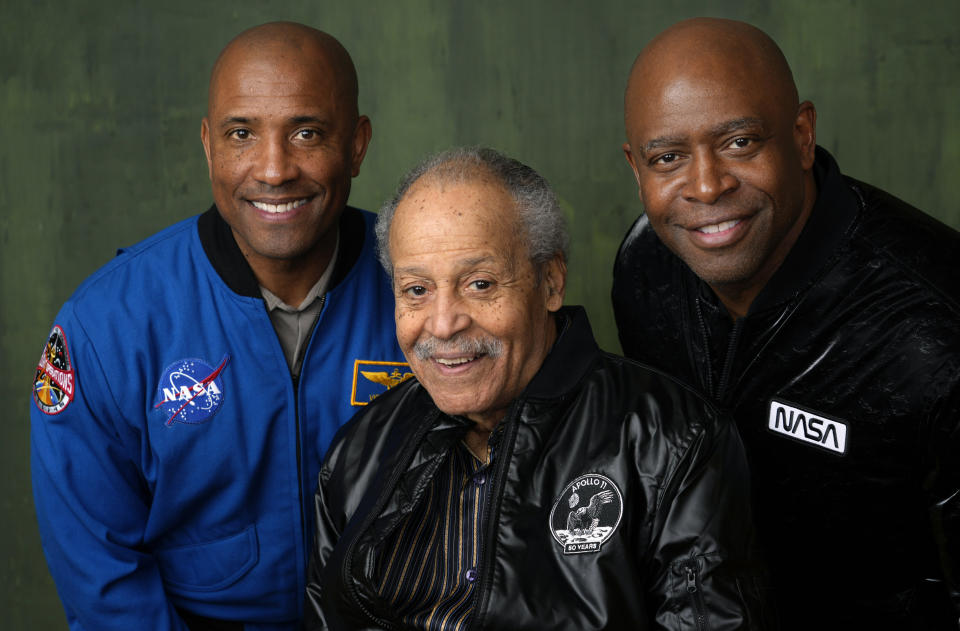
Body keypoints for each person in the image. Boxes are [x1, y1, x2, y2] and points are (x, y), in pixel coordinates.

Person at [30, 22, 407, 630]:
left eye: (307, 132)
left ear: (357, 143)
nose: (274, 169)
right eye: (242, 134)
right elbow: (102, 578)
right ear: (208, 145)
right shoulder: (106, 327)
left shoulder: (422, 289)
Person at [305, 147, 771, 630]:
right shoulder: (358, 452)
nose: (442, 325)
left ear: (551, 281)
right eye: (417, 290)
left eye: (480, 284)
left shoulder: (673, 442)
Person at [613, 17, 960, 630]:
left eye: (740, 142)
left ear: (802, 136)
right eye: (668, 157)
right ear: (636, 168)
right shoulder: (646, 269)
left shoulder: (933, 326)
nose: (706, 185)